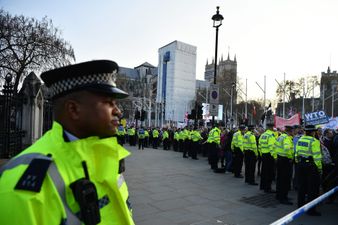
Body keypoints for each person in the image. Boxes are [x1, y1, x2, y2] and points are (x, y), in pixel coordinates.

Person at [0, 60, 135, 224]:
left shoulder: (105, 157)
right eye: (108, 102)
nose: (118, 111)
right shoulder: (20, 186)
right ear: (73, 109)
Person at [295, 125, 322, 216]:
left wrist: (297, 162)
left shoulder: (301, 139)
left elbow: (297, 152)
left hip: (300, 165)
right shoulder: (314, 141)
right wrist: (319, 168)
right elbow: (317, 156)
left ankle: (300, 205)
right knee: (312, 188)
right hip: (311, 166)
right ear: (313, 132)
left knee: (302, 186)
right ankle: (311, 210)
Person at [275, 125, 294, 205]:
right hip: (285, 160)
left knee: (279, 178)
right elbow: (287, 148)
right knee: (285, 180)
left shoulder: (280, 136)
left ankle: (279, 195)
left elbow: (275, 146)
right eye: (292, 131)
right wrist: (291, 157)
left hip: (280, 159)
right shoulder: (286, 138)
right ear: (290, 131)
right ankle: (283, 198)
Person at [259, 123, 277, 193]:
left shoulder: (263, 135)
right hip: (269, 156)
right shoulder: (271, 135)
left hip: (263, 154)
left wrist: (261, 153)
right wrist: (275, 157)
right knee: (269, 173)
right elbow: (271, 147)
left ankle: (262, 186)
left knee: (263, 171)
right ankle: (268, 188)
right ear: (272, 127)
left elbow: (259, 145)